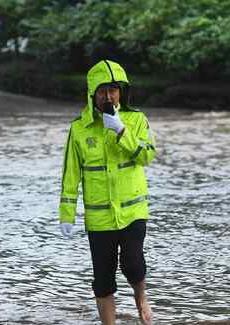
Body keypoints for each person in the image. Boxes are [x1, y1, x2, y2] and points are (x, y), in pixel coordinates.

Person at [59, 60, 157, 325]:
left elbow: (148, 156)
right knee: (103, 278)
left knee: (132, 264)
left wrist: (121, 131)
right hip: (100, 217)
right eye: (103, 90)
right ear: (93, 93)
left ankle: (141, 297)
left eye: (114, 89)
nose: (108, 96)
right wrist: (66, 214)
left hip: (133, 211)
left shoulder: (136, 120)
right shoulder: (79, 128)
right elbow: (71, 174)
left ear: (121, 92)